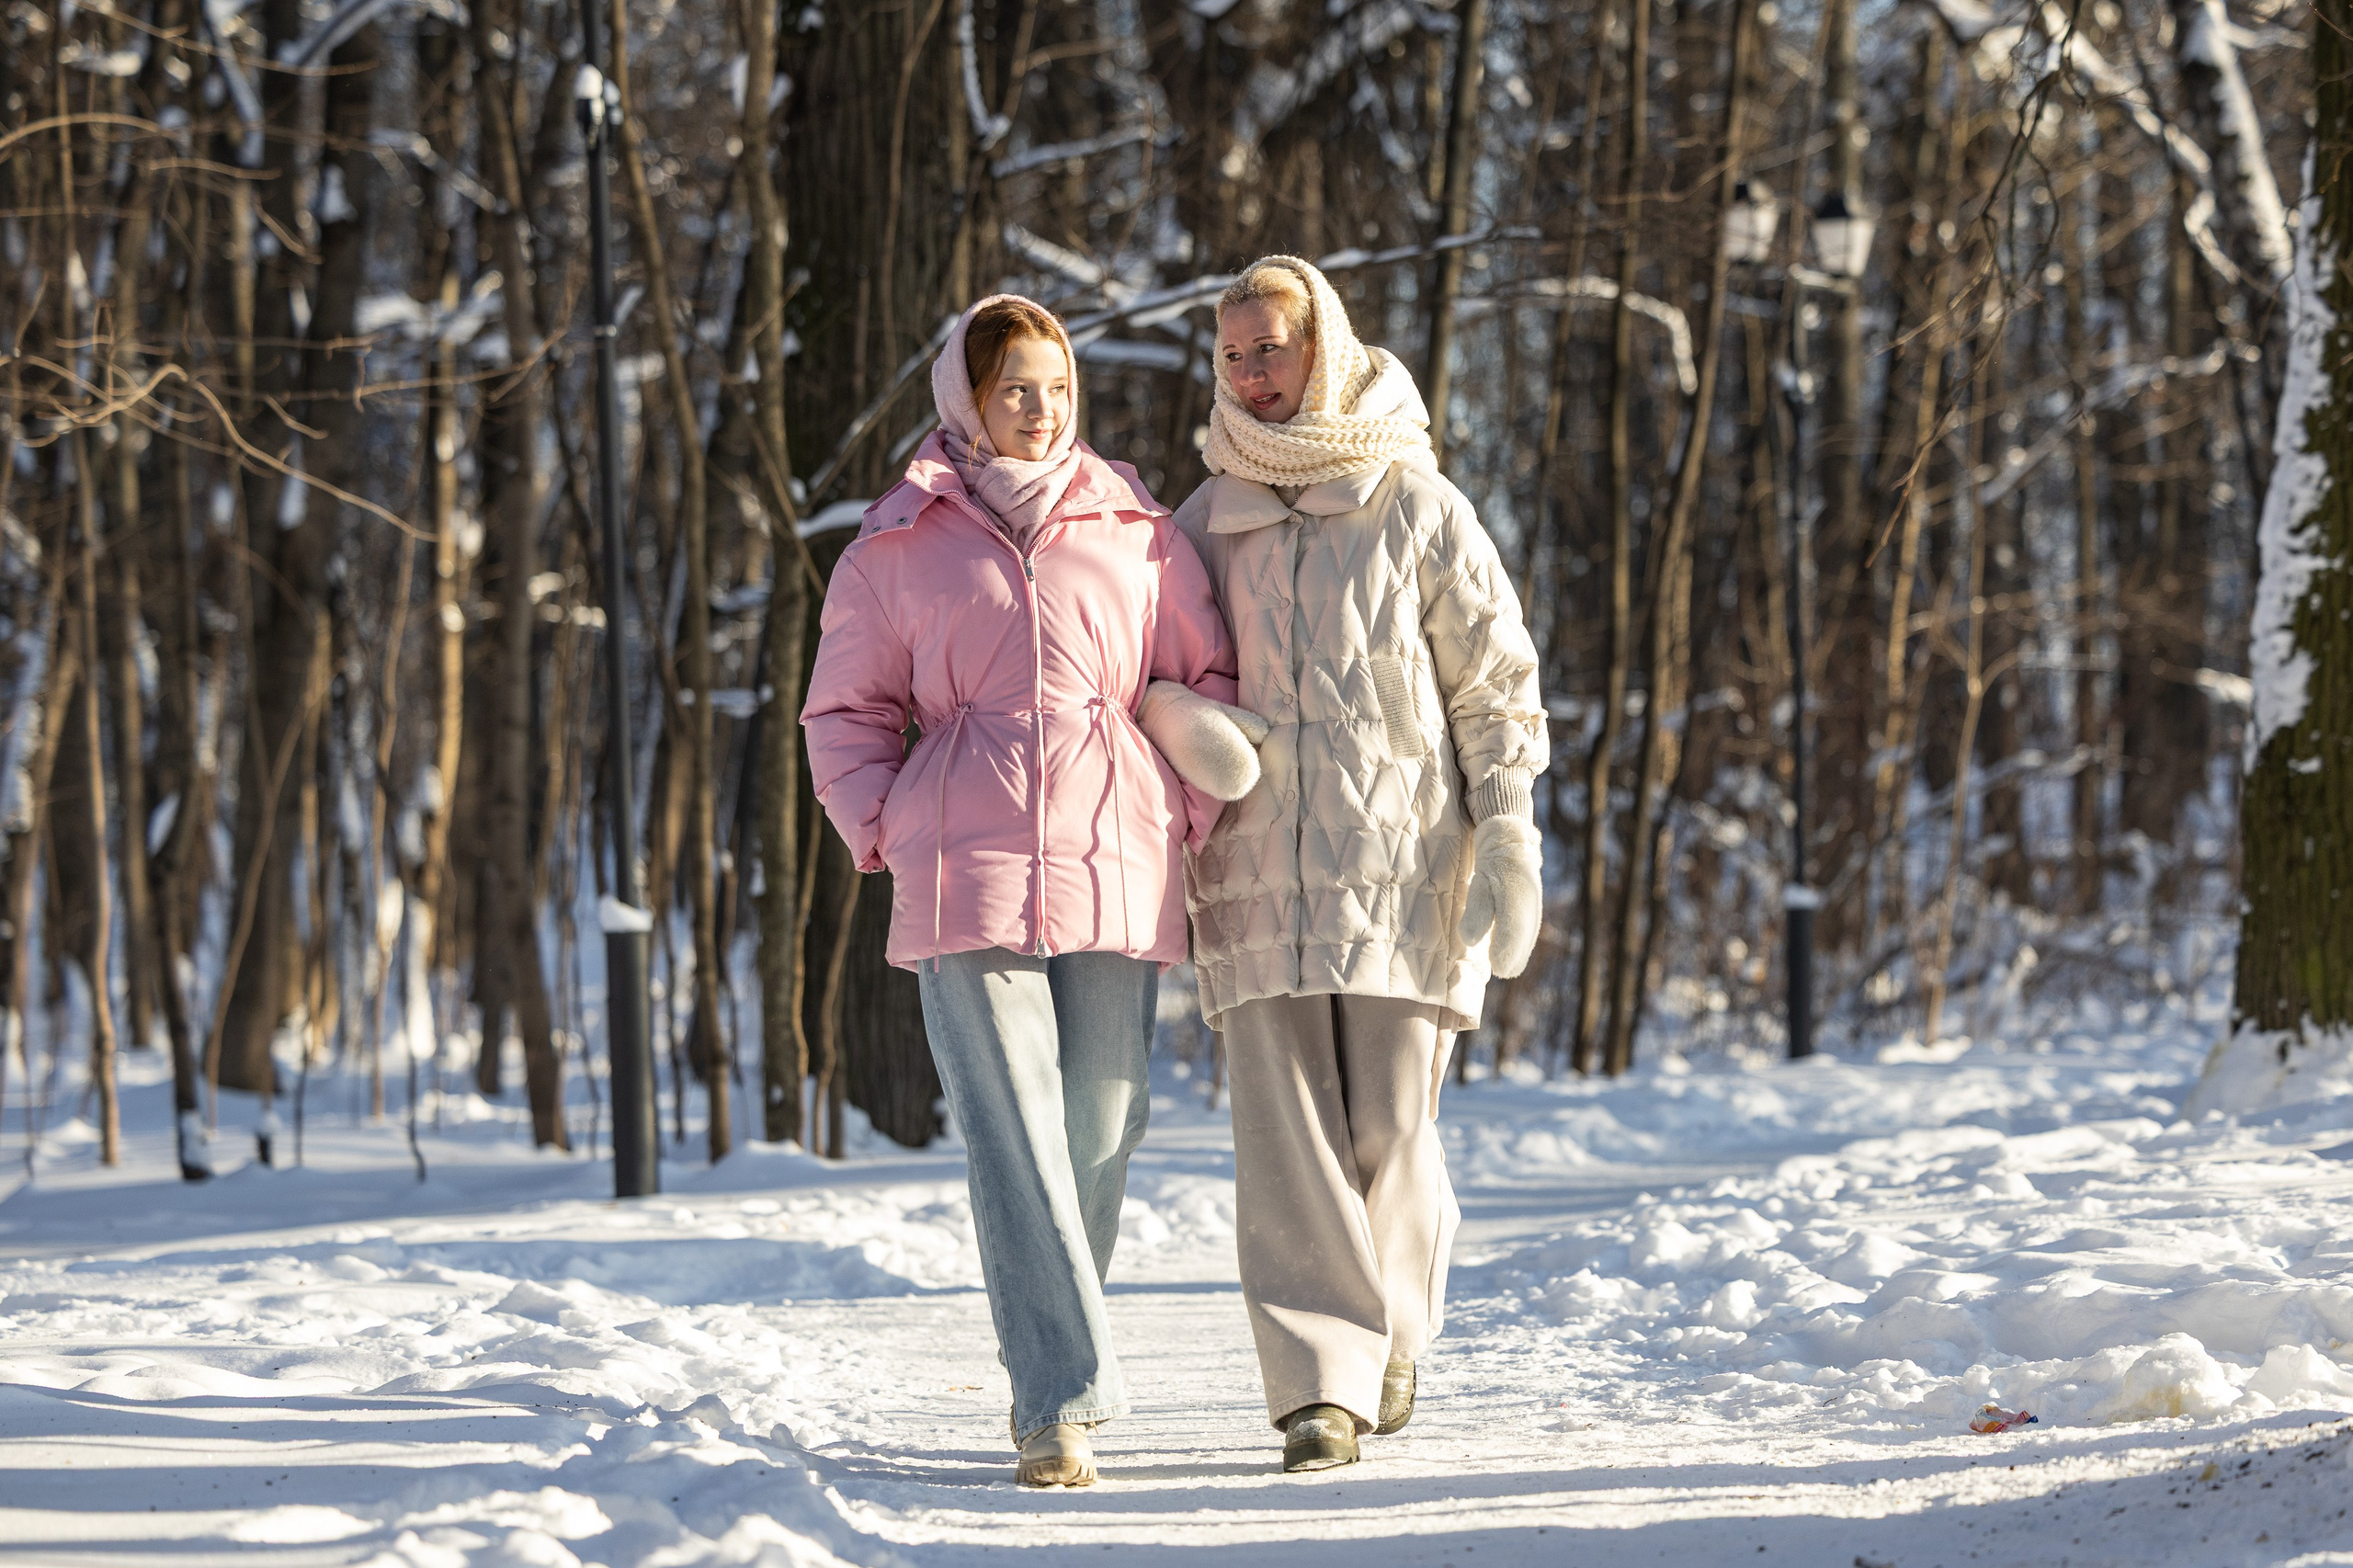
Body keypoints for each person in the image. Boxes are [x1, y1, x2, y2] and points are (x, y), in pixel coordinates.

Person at [802, 295, 1263, 1488]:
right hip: (962, 863)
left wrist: (1182, 809)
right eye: (1015, 386)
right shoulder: (898, 544)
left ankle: (1058, 1361)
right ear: (966, 396)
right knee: (1012, 1126)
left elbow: (1202, 676)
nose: (1041, 408)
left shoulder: (1136, 529)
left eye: (1057, 386)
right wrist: (884, 824)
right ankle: (1058, 1402)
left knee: (1100, 1126)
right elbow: (844, 712)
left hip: (1118, 858)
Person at [1172, 256, 1547, 1472]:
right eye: (1233, 354)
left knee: (1393, 1122)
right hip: (1249, 875)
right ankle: (1318, 1390)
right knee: (1286, 1141)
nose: (1252, 374)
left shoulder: (1416, 502)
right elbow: (1153, 672)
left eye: (1271, 348)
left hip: (1402, 865)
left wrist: (1508, 825)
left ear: (1322, 346)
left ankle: (1393, 1329)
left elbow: (1495, 682)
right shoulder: (1199, 524)